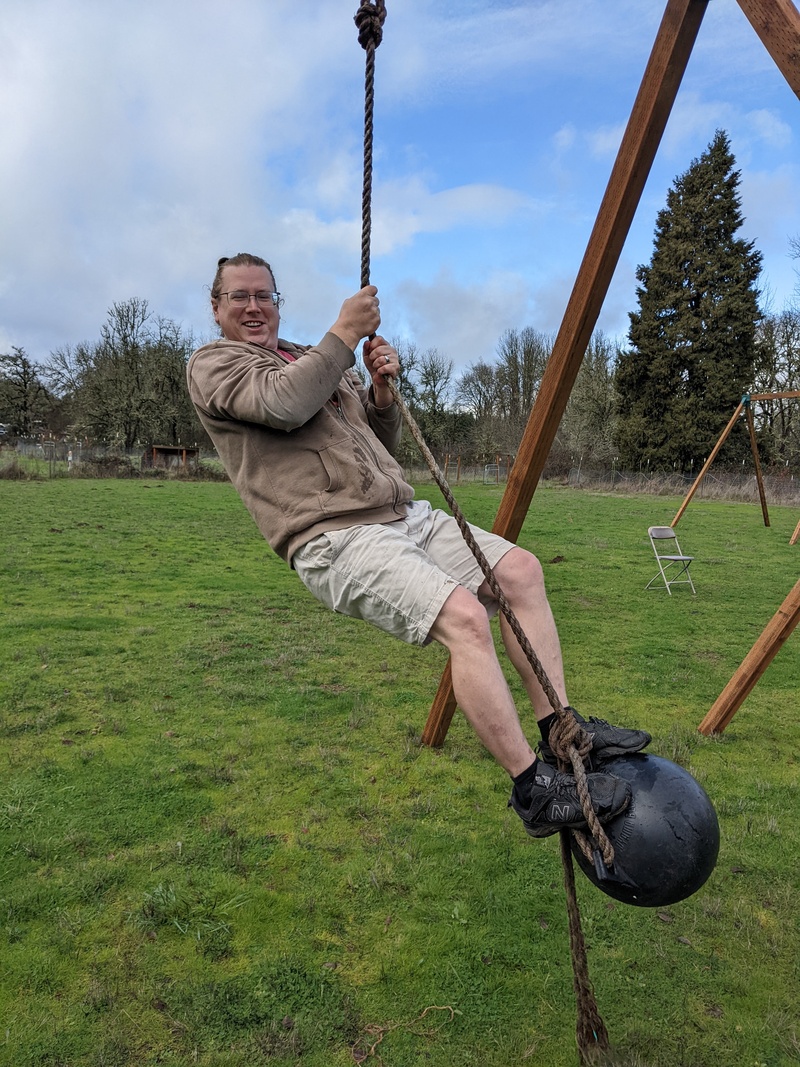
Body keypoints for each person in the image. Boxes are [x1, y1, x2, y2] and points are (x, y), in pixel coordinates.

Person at [187, 252, 650, 838]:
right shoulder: (215, 364)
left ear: (278, 302)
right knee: (465, 619)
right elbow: (284, 405)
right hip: (335, 536)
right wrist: (344, 335)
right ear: (216, 306)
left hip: (402, 513)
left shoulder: (307, 357)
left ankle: (563, 731)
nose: (254, 307)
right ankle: (534, 790)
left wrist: (379, 393)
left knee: (522, 573)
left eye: (264, 296)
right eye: (239, 297)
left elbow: (374, 441)